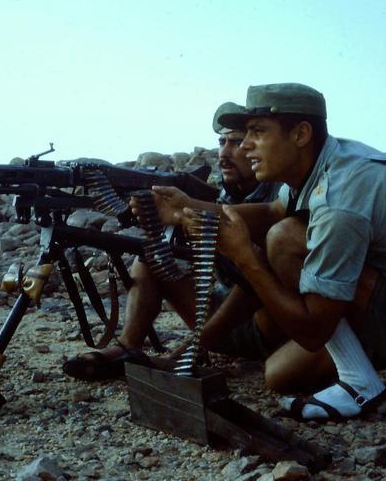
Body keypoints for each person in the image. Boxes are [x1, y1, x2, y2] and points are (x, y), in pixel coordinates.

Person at [150, 83, 386, 422]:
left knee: (284, 240)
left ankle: (362, 387)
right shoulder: (325, 161)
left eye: (258, 132)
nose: (245, 145)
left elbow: (313, 331)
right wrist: (189, 207)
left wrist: (245, 258)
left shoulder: (340, 196)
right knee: (280, 375)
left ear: (301, 134)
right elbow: (270, 212)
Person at [62, 102, 281, 380]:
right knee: (153, 256)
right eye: (222, 142)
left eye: (236, 143)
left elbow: (254, 284)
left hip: (267, 327)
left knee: (257, 268)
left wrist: (190, 348)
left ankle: (180, 359)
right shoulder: (224, 193)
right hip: (221, 324)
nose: (224, 153)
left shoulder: (280, 194)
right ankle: (129, 346)